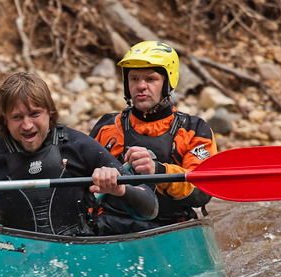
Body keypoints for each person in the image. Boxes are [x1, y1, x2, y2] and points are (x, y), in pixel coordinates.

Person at [0, 71, 158, 247]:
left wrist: (120, 188)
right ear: (3, 120)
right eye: (16, 117)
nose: (27, 125)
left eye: (35, 114)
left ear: (50, 113)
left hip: (78, 250)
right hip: (12, 255)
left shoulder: (78, 146)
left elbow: (149, 209)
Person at [89, 40, 218, 229]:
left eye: (150, 79)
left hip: (169, 229)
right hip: (110, 225)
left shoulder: (193, 129)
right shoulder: (108, 126)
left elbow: (201, 193)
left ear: (167, 83)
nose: (141, 86)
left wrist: (158, 170)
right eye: (134, 79)